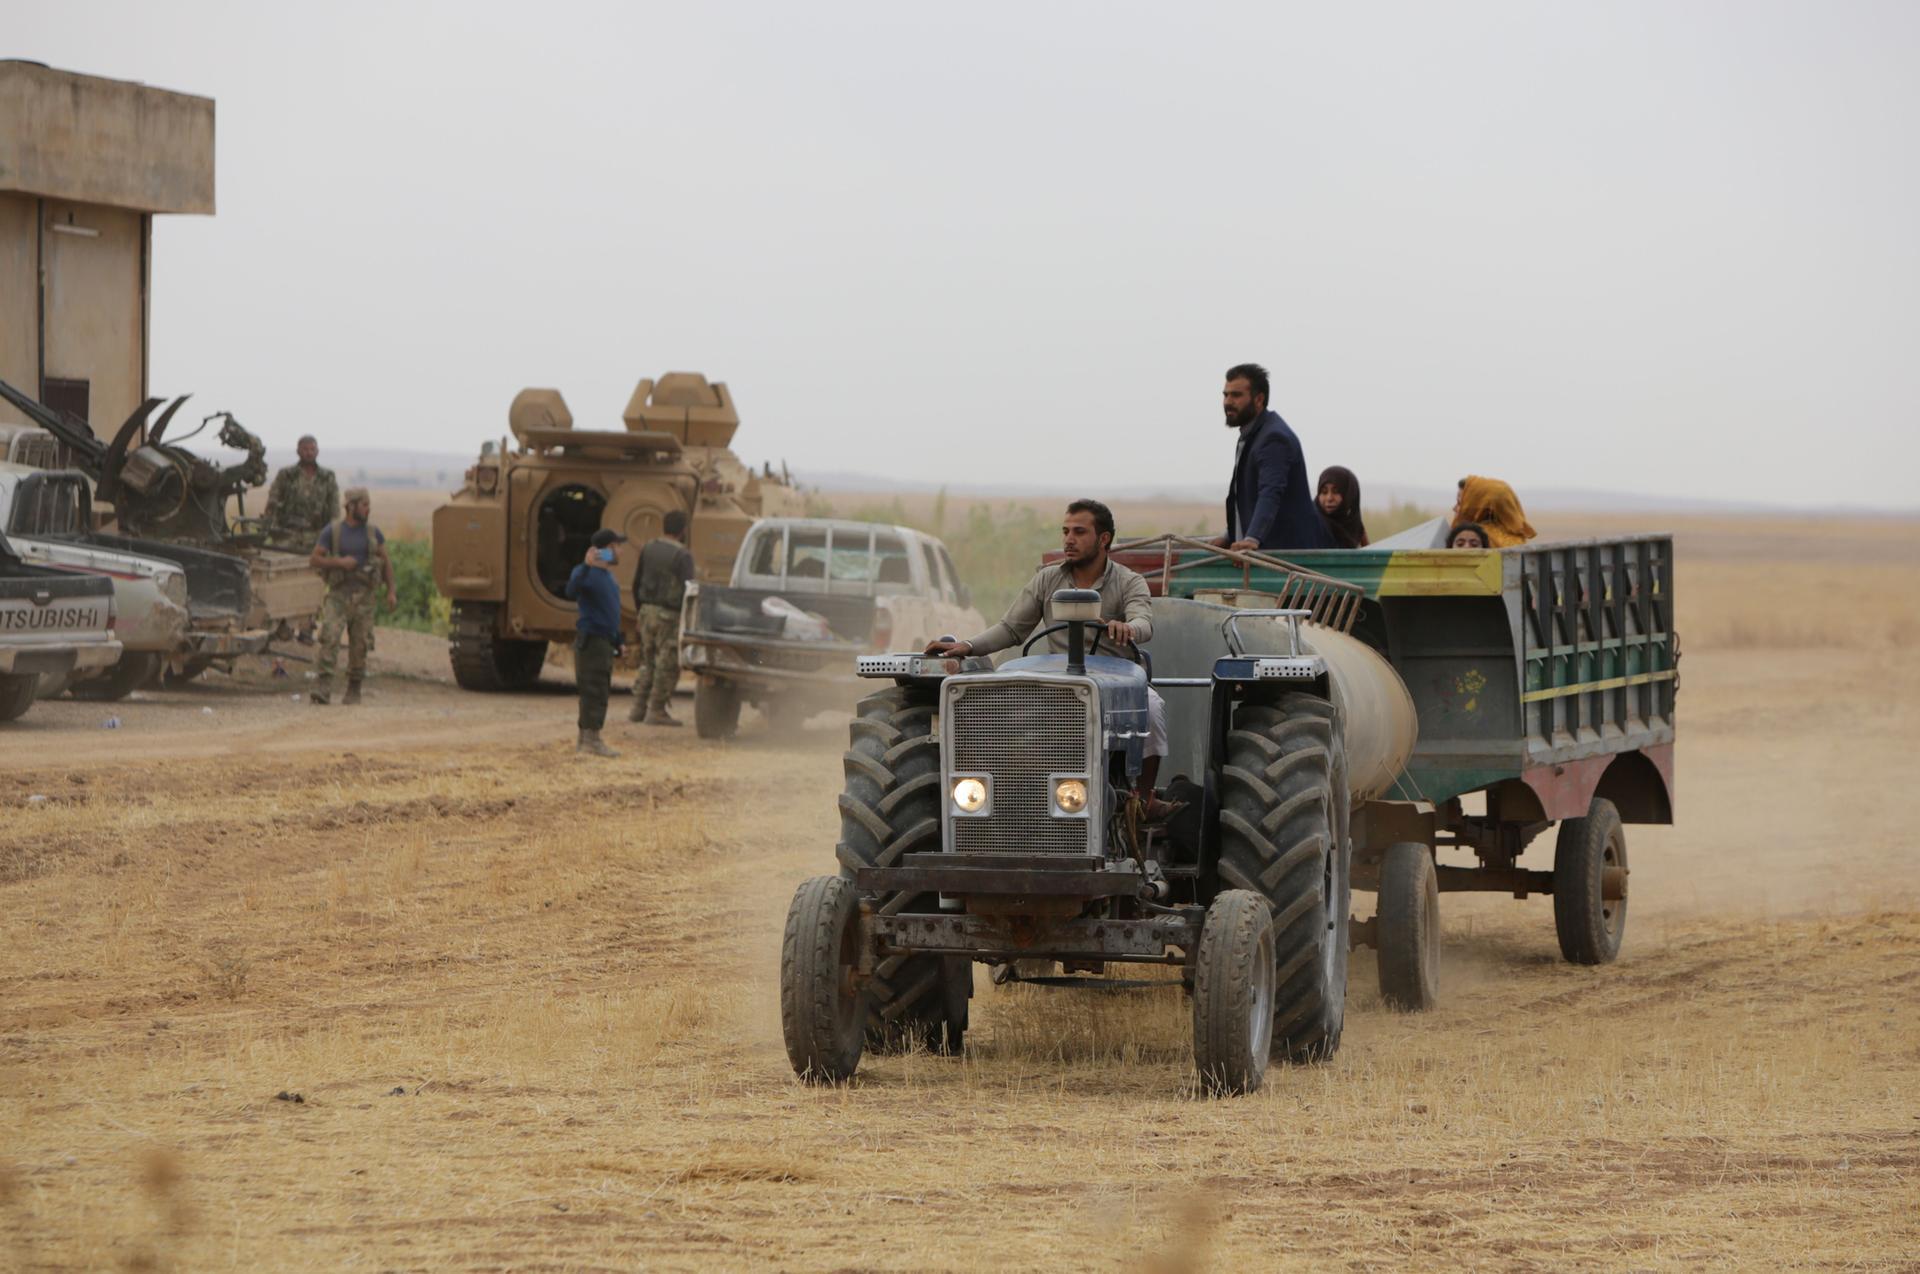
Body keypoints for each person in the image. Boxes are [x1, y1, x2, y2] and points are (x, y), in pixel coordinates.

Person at [924, 499, 1173, 816]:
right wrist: (968, 646)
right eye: (1066, 531)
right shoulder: (1047, 579)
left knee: (1151, 707)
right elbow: (1011, 629)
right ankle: (999, 798)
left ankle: (1143, 799)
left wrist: (1127, 628)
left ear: (1104, 539)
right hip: (1060, 680)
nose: (1069, 539)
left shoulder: (1128, 581)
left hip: (1115, 681)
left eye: (1080, 532)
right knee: (997, 712)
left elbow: (1143, 622)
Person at [1214, 363, 1332, 554]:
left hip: (1286, 559)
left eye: (1236, 395)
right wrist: (1228, 536)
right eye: (1225, 395)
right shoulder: (1252, 435)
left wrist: (1252, 538)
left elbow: (1270, 492)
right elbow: (1247, 498)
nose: (1228, 402)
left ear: (1259, 399)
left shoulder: (1273, 438)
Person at [308, 487, 396, 706]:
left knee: (360, 645)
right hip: (338, 595)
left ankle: (354, 689)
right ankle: (323, 688)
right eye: (364, 505)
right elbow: (315, 559)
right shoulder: (333, 531)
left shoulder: (373, 533)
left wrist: (391, 591)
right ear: (351, 506)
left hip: (364, 597)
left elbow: (386, 562)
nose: (368, 509)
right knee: (329, 637)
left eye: (368, 505)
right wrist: (340, 563)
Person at [627, 510, 696, 727]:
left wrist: (640, 612)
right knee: (667, 663)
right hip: (670, 615)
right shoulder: (683, 556)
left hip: (647, 612)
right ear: (683, 530)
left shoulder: (648, 548)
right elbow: (689, 590)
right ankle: (656, 710)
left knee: (648, 661)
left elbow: (635, 583)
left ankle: (637, 708)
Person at [567, 528, 627, 757]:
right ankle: (590, 740)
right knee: (594, 689)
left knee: (599, 689)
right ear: (608, 549)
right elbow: (571, 591)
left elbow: (610, 613)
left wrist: (618, 640)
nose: (620, 551)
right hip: (591, 641)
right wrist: (585, 565)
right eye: (617, 547)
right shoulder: (586, 574)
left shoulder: (608, 578)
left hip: (605, 640)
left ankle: (587, 740)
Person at [265, 435, 341, 542]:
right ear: (298, 451)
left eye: (312, 449)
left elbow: (335, 508)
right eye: (305, 449)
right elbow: (272, 502)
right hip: (287, 535)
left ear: (317, 451)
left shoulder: (327, 476)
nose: (309, 453)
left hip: (318, 536)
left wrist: (333, 535)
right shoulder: (286, 475)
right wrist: (272, 529)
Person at [1453, 475, 1537, 547]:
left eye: (1460, 503)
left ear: (1480, 507)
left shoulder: (1471, 538)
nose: (1454, 508)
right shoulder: (1516, 538)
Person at [1316, 465, 1369, 548]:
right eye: (1324, 492)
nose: (1329, 498)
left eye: (1336, 492)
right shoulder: (1312, 523)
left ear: (1349, 494)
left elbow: (1370, 558)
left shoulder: (1355, 526)